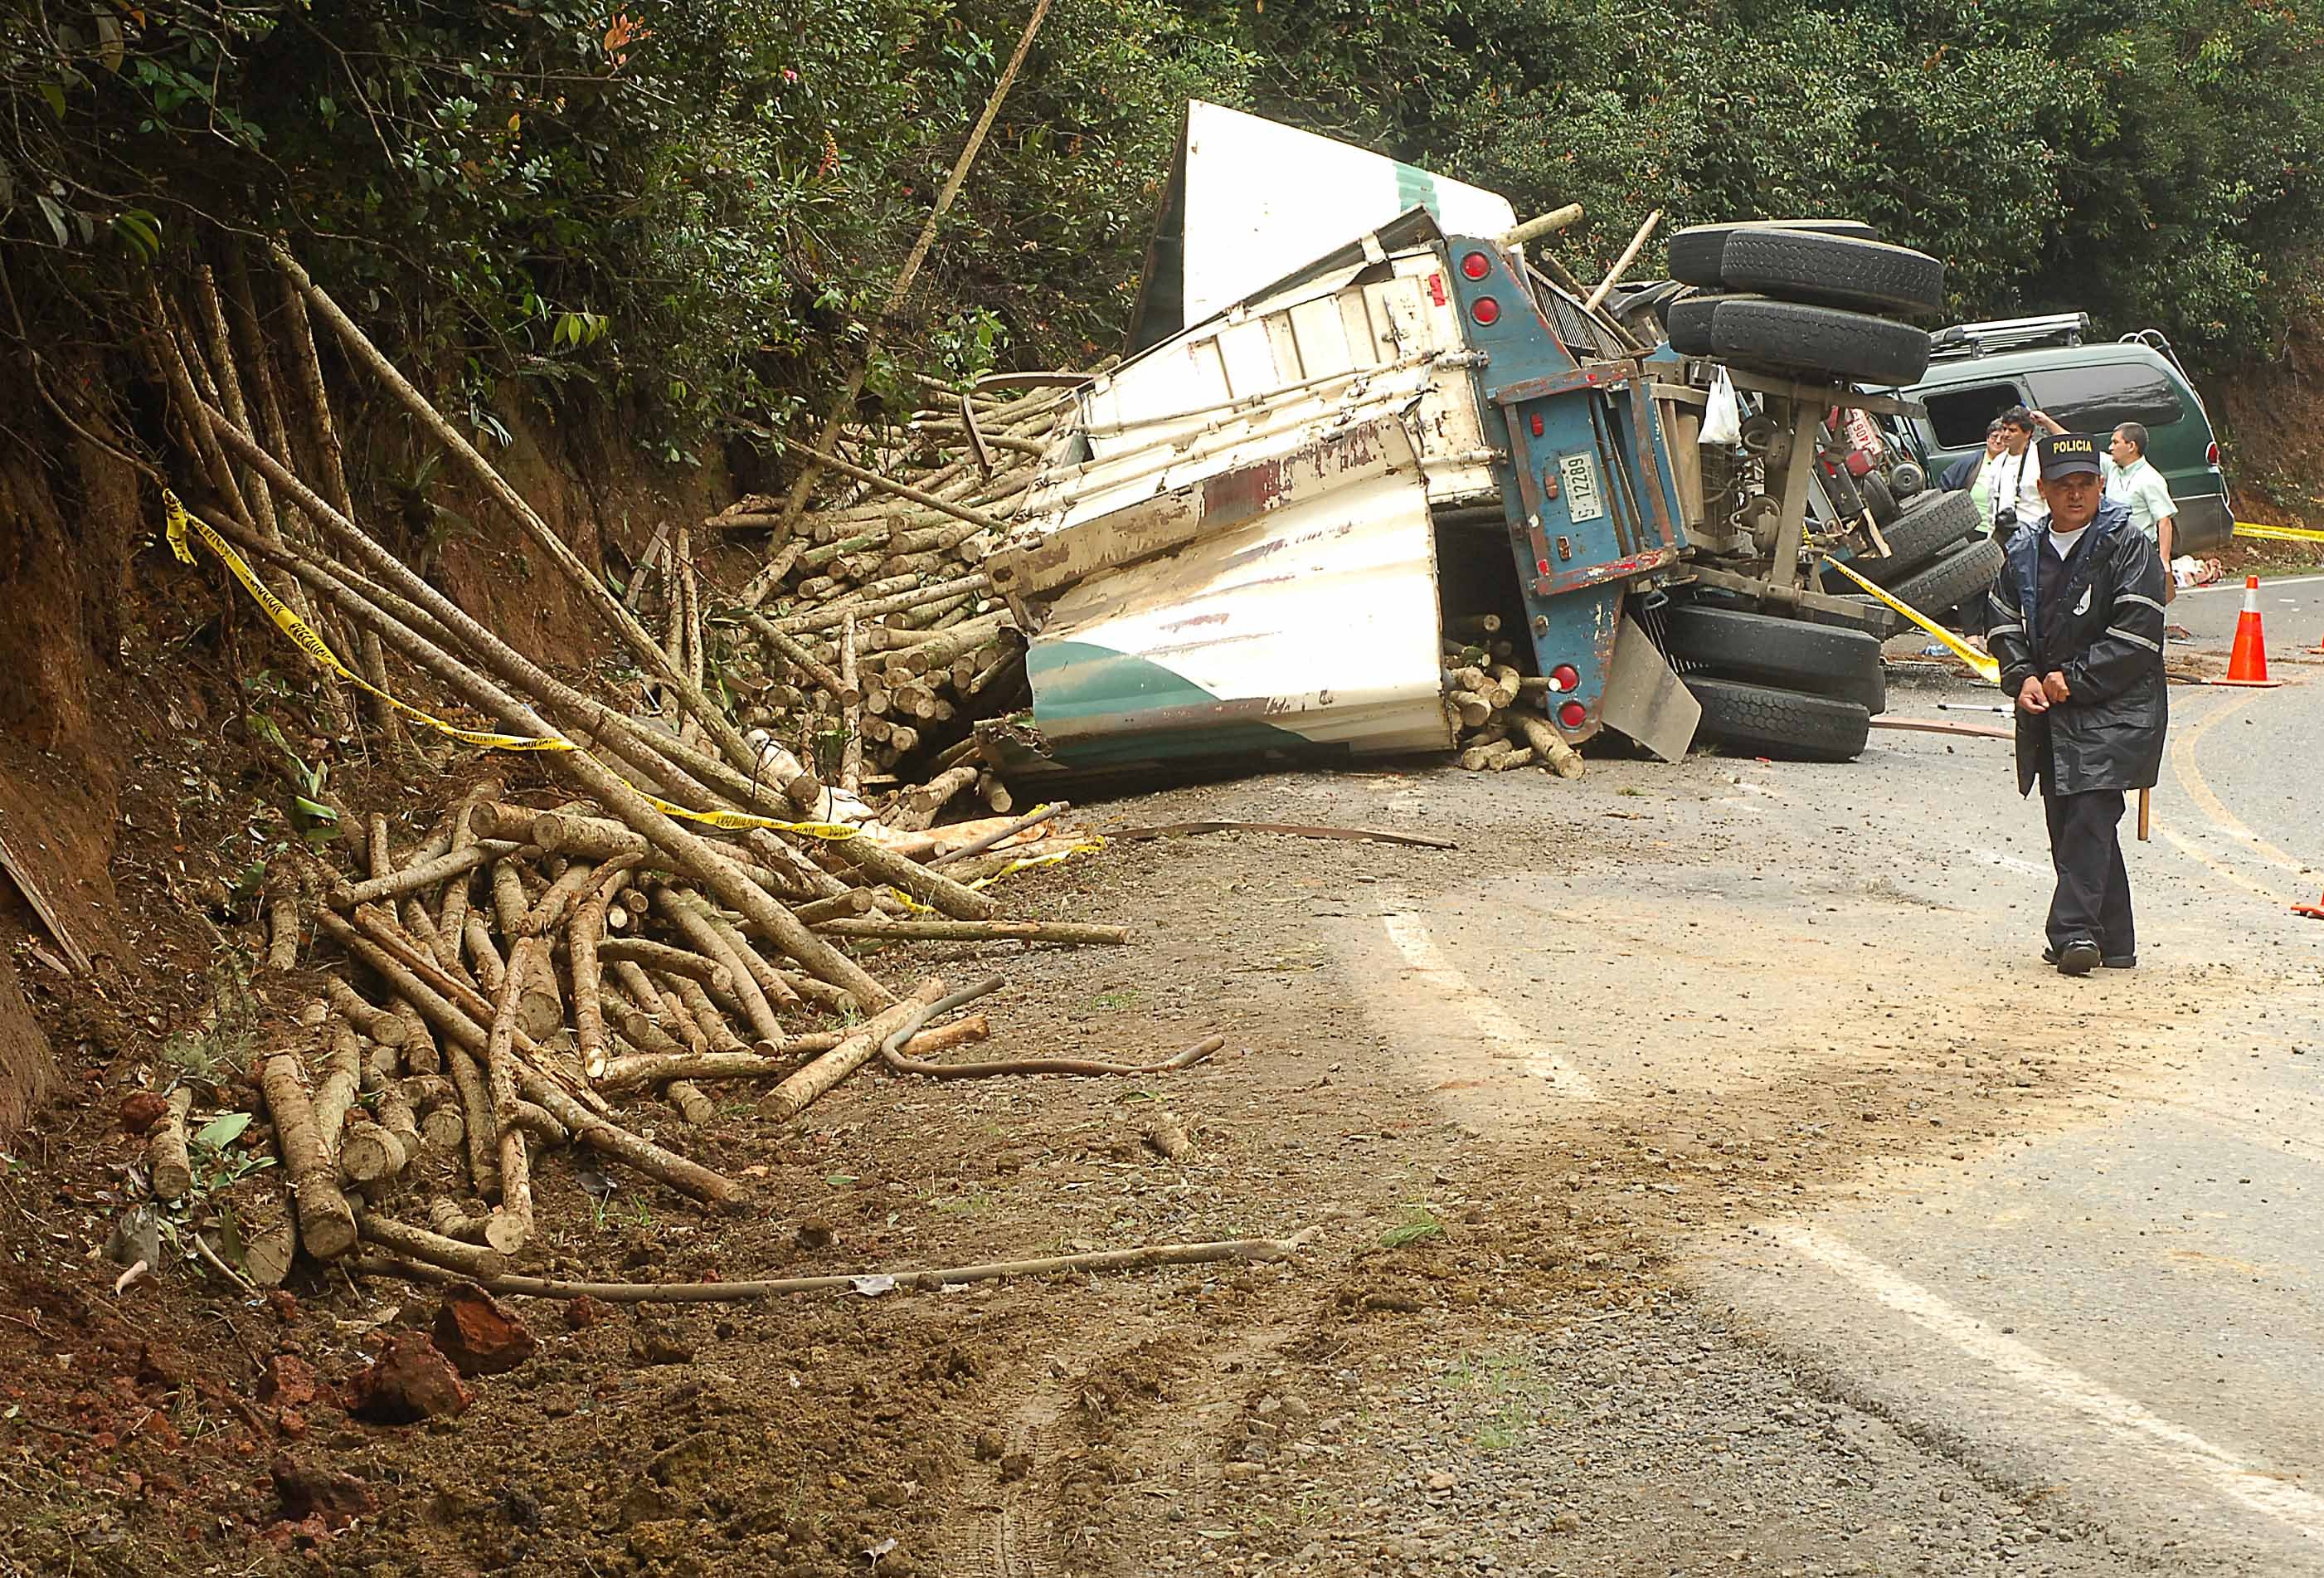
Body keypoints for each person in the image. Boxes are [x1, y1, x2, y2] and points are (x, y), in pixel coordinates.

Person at [1985, 432, 2168, 976]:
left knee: (2090, 815)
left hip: (2118, 709)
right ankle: (2117, 941)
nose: (2075, 495)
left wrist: (2075, 679)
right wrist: (2022, 677)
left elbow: (2138, 633)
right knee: (2069, 820)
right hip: (2050, 713)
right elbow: (2000, 619)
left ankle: (2073, 935)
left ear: (2101, 486)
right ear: (2042, 489)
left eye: (2086, 484)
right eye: (2064, 485)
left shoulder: (2127, 544)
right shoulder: (2022, 549)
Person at [2103, 421, 2179, 601]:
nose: (2110, 447)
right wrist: (2046, 422)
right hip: (2111, 550)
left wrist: (2164, 561)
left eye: (2115, 442)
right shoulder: (2112, 468)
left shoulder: (2150, 479)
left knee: (2136, 602)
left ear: (2131, 446)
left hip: (2138, 552)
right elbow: (2080, 449)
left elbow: (2164, 521)